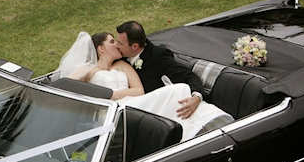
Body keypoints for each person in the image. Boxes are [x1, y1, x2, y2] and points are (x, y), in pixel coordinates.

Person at [58, 32, 232, 141]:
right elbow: (66, 84)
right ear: (100, 49)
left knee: (180, 89)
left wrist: (112, 94)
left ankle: (198, 126)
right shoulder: (89, 69)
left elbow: (139, 90)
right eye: (111, 42)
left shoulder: (123, 65)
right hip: (112, 111)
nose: (116, 45)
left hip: (135, 102)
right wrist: (102, 92)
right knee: (178, 90)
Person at [116, 20, 204, 120]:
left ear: (134, 46)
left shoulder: (159, 57)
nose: (116, 45)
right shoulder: (118, 55)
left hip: (160, 111)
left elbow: (189, 76)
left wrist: (196, 97)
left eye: (120, 43)